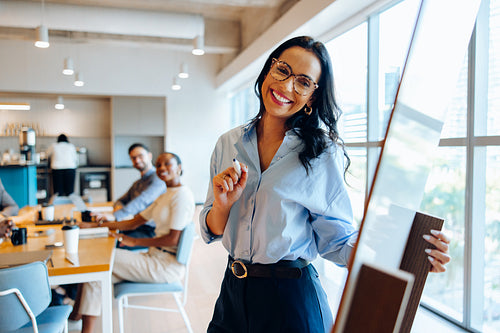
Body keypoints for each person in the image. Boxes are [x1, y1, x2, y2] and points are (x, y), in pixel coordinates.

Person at [199, 36, 451, 333]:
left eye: (303, 82)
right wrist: (223, 205)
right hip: (232, 292)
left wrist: (405, 253)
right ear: (268, 70)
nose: (286, 86)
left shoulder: (320, 154)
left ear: (312, 98)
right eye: (282, 70)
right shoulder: (227, 144)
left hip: (289, 300)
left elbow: (338, 241)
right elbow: (210, 229)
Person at [76, 152, 195, 333]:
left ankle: (79, 321)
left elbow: (173, 238)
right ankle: (80, 323)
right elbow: (133, 221)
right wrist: (95, 225)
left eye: (167, 164)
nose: (162, 168)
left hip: (166, 266)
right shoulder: (166, 193)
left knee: (98, 264)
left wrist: (134, 240)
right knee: (96, 275)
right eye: (158, 165)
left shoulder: (182, 196)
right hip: (154, 257)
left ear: (179, 167)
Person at [96, 143, 166, 248]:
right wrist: (118, 206)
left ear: (150, 156)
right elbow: (121, 200)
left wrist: (115, 216)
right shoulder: (138, 183)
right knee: (102, 235)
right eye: (133, 158)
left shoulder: (158, 179)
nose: (137, 160)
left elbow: (141, 201)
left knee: (109, 243)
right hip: (137, 226)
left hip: (152, 232)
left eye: (140, 156)